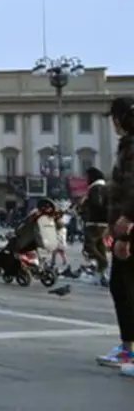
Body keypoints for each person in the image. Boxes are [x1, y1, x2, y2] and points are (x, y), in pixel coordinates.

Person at [97, 96, 134, 370]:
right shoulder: (128, 146)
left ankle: (129, 350)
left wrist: (125, 230)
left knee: (124, 287)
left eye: (115, 118)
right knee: (122, 287)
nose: (114, 124)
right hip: (124, 223)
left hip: (129, 226)